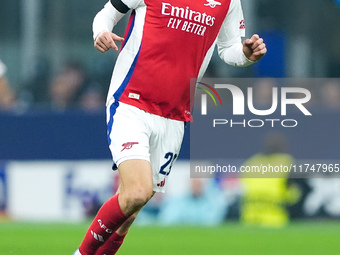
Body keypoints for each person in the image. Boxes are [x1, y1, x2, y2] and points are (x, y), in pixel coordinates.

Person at [73, 0, 267, 254]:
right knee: (136, 193)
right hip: (131, 102)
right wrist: (101, 32)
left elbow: (228, 48)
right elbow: (106, 15)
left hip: (175, 116)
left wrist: (245, 55)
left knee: (130, 211)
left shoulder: (228, 2)